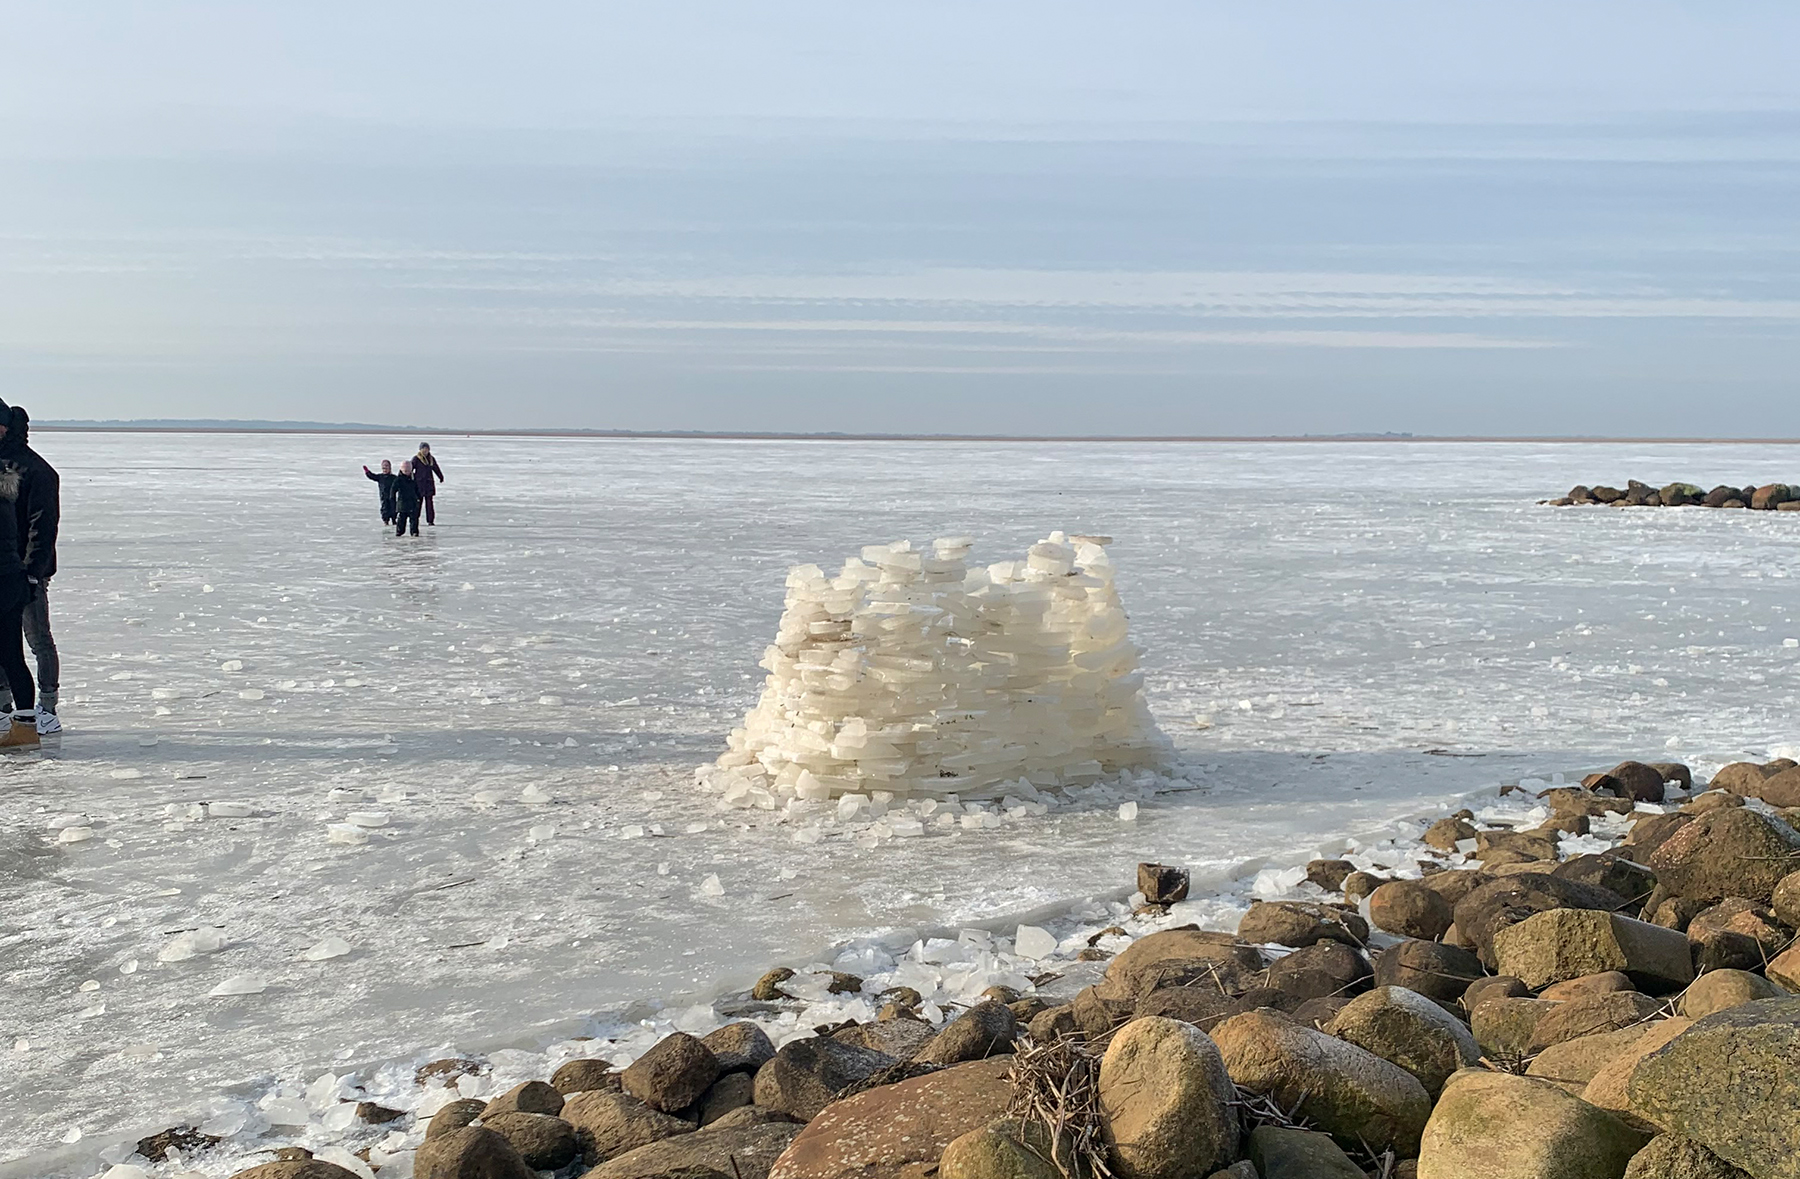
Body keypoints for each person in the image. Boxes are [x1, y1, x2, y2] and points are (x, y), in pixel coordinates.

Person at [0, 398, 44, 747]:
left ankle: (28, 723)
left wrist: (32, 572)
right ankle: (22, 725)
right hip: (11, 577)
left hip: (8, 578)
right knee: (11, 653)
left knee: (15, 652)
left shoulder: (18, 475)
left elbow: (38, 528)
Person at [412, 442, 444, 525]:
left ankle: (430, 520)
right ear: (420, 449)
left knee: (429, 503)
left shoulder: (431, 459)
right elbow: (410, 469)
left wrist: (440, 476)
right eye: (423, 449)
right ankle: (415, 519)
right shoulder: (416, 459)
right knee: (418, 503)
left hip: (429, 483)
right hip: (419, 484)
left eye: (426, 449)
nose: (425, 450)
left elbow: (436, 468)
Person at [363, 460, 399, 525]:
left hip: (392, 497)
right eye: (383, 468)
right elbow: (372, 476)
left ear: (390, 468)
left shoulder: (394, 478)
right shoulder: (380, 477)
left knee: (393, 508)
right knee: (384, 509)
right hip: (383, 497)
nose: (385, 469)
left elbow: (400, 483)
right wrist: (367, 472)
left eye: (386, 467)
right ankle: (386, 521)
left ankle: (394, 520)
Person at [393, 460, 423, 536]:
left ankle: (414, 532)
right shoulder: (398, 479)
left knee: (414, 519)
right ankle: (399, 531)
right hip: (402, 503)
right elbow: (393, 490)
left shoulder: (413, 478)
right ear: (401, 470)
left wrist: (419, 497)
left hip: (412, 502)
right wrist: (392, 499)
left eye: (408, 470)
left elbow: (417, 489)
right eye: (405, 470)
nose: (407, 472)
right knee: (402, 518)